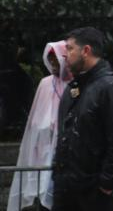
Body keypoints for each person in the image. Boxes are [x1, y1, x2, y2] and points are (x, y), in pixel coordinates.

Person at [51, 28, 113, 211]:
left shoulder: (110, 88)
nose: (65, 55)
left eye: (70, 49)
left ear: (86, 51)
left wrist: (106, 184)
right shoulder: (74, 88)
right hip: (68, 190)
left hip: (94, 195)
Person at [7, 41, 71, 211]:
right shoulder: (45, 83)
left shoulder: (75, 84)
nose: (53, 63)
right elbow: (36, 116)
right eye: (50, 59)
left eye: (56, 58)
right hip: (42, 145)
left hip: (64, 147)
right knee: (41, 190)